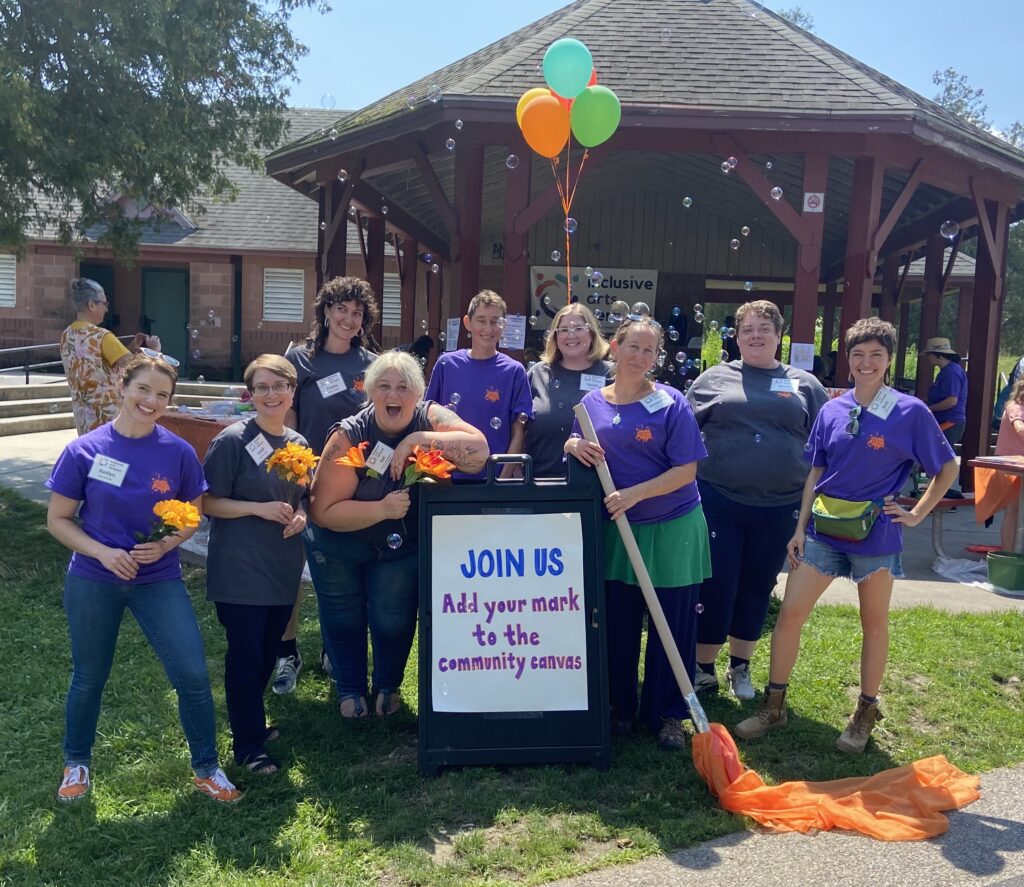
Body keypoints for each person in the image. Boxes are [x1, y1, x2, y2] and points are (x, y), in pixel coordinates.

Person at [735, 318, 958, 753]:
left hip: (875, 533)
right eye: (858, 354)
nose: (866, 362)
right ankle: (774, 705)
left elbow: (946, 467)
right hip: (822, 530)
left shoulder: (909, 410)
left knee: (873, 624)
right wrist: (799, 528)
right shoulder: (833, 409)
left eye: (876, 354)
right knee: (789, 617)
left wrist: (915, 514)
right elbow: (815, 471)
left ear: (890, 359)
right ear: (848, 360)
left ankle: (864, 713)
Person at [45, 352, 240, 803]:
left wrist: (168, 543)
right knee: (89, 676)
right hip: (95, 577)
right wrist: (103, 553)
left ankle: (208, 768)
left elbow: (192, 514)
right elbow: (58, 520)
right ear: (122, 386)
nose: (151, 401)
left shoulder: (177, 452)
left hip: (158, 578)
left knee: (192, 673)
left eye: (162, 395)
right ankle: (77, 762)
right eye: (143, 389)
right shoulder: (84, 450)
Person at [308, 350, 488, 719]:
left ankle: (387, 686)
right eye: (385, 386)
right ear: (371, 392)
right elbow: (323, 511)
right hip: (339, 544)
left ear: (419, 393)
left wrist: (416, 440)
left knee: (393, 617)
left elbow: (480, 452)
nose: (394, 395)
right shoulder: (348, 436)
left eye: (404, 387)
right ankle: (350, 689)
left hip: (400, 545)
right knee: (344, 616)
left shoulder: (431, 417)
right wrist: (381, 510)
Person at [566, 316, 711, 752]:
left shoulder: (671, 403)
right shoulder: (591, 403)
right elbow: (578, 443)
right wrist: (571, 445)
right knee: (618, 621)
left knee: (674, 622)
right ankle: (620, 708)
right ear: (615, 347)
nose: (641, 357)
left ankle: (667, 713)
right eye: (634, 347)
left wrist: (634, 494)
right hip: (620, 531)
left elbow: (687, 470)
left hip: (673, 528)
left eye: (650, 350)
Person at [686, 300, 828, 700]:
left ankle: (740, 668)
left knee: (757, 586)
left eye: (764, 328)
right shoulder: (712, 380)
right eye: (747, 329)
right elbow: (680, 433)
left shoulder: (805, 385)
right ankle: (703, 669)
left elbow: (825, 441)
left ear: (779, 335)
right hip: (718, 500)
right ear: (735, 336)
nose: (755, 335)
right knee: (716, 585)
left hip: (780, 506)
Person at [202, 355, 309, 775]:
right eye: (262, 387)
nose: (271, 394)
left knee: (267, 653)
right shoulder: (231, 441)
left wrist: (301, 514)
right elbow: (207, 502)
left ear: (291, 391)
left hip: (282, 569)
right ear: (250, 394)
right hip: (240, 570)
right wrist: (259, 510)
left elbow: (304, 497)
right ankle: (248, 746)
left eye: (279, 386)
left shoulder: (299, 444)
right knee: (246, 657)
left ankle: (254, 724)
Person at [272, 277, 379, 694]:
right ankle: (287, 652)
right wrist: (295, 470)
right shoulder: (298, 359)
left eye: (357, 313)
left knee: (345, 572)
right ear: (325, 311)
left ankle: (335, 648)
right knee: (291, 572)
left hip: (351, 483)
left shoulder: (370, 364)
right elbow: (286, 416)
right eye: (342, 310)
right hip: (302, 477)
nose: (349, 319)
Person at [425, 290, 533, 479]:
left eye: (495, 321)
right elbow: (428, 418)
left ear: (504, 325)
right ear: (468, 323)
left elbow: (519, 430)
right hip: (447, 477)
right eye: (481, 321)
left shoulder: (514, 371)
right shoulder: (446, 365)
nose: (488, 329)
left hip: (494, 477)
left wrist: (503, 478)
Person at [60, 277, 158, 435]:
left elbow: (102, 363)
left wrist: (132, 348)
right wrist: (154, 351)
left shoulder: (66, 335)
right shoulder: (102, 336)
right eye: (104, 304)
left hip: (83, 417)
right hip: (109, 418)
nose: (106, 309)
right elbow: (136, 369)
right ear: (92, 305)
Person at [525, 303, 611, 478]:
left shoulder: (610, 374)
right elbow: (518, 426)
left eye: (579, 328)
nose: (571, 335)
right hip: (538, 482)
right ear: (555, 337)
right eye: (563, 330)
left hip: (594, 484)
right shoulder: (537, 373)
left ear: (592, 334)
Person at [923, 337, 968, 496]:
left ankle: (940, 497)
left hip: (949, 422)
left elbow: (951, 401)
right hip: (946, 422)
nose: (928, 358)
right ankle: (938, 495)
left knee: (939, 460)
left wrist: (928, 408)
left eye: (929, 354)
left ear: (938, 355)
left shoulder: (951, 372)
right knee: (938, 459)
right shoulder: (948, 371)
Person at [993, 375, 1024, 550]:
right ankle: (1009, 552)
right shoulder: (1016, 407)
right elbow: (1019, 427)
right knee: (1013, 509)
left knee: (1016, 510)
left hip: (1017, 466)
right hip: (1011, 466)